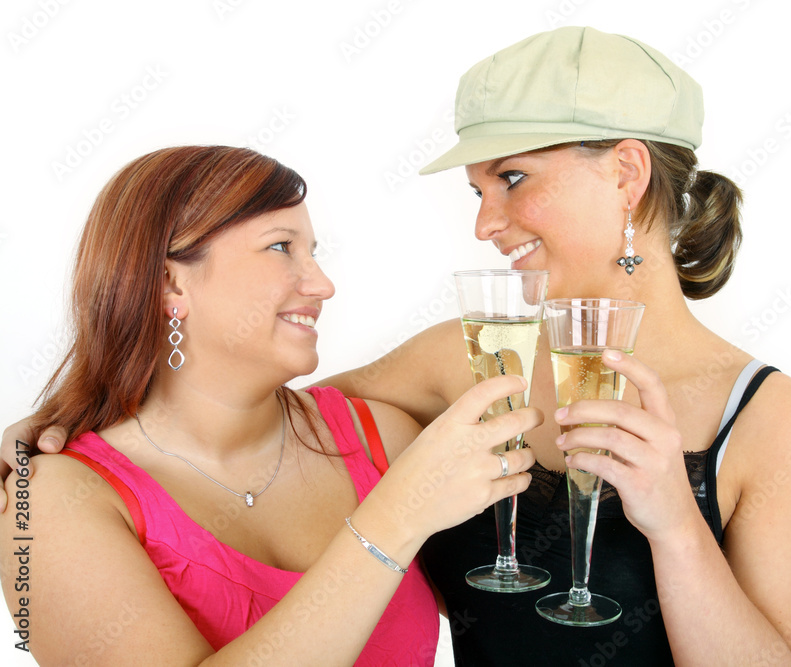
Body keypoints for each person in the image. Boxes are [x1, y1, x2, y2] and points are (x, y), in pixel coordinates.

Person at [4, 26, 791, 666]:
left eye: (512, 178)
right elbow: (252, 415)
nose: (485, 223)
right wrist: (50, 438)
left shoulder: (771, 418)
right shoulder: (460, 362)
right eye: (477, 191)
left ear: (626, 172)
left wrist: (677, 525)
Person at [0, 145, 539, 665]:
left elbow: (519, 627)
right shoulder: (50, 503)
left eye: (313, 253)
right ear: (170, 283)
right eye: (281, 247)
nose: (323, 285)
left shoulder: (381, 438)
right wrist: (393, 520)